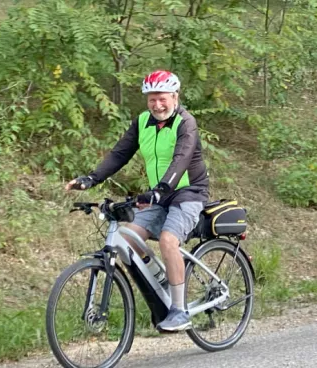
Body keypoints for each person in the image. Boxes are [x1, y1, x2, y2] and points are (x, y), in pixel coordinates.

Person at [65, 70, 210, 330]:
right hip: (160, 193)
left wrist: (160, 189)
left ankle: (179, 310)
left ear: (175, 97)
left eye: (163, 99)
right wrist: (91, 178)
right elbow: (119, 154)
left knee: (168, 240)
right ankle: (163, 278)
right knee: (126, 236)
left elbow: (181, 159)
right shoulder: (142, 122)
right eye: (152, 99)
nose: (157, 105)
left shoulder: (185, 122)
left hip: (189, 192)